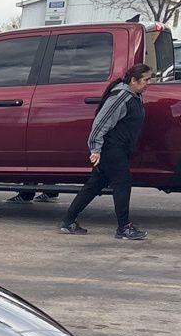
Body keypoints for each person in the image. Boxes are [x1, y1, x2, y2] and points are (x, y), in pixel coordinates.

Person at [59, 63, 154, 240]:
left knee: (94, 185)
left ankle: (68, 221)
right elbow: (101, 123)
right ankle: (124, 228)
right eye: (146, 80)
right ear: (133, 80)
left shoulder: (134, 95)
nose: (149, 83)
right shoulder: (121, 96)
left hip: (119, 149)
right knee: (122, 183)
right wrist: (95, 149)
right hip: (111, 149)